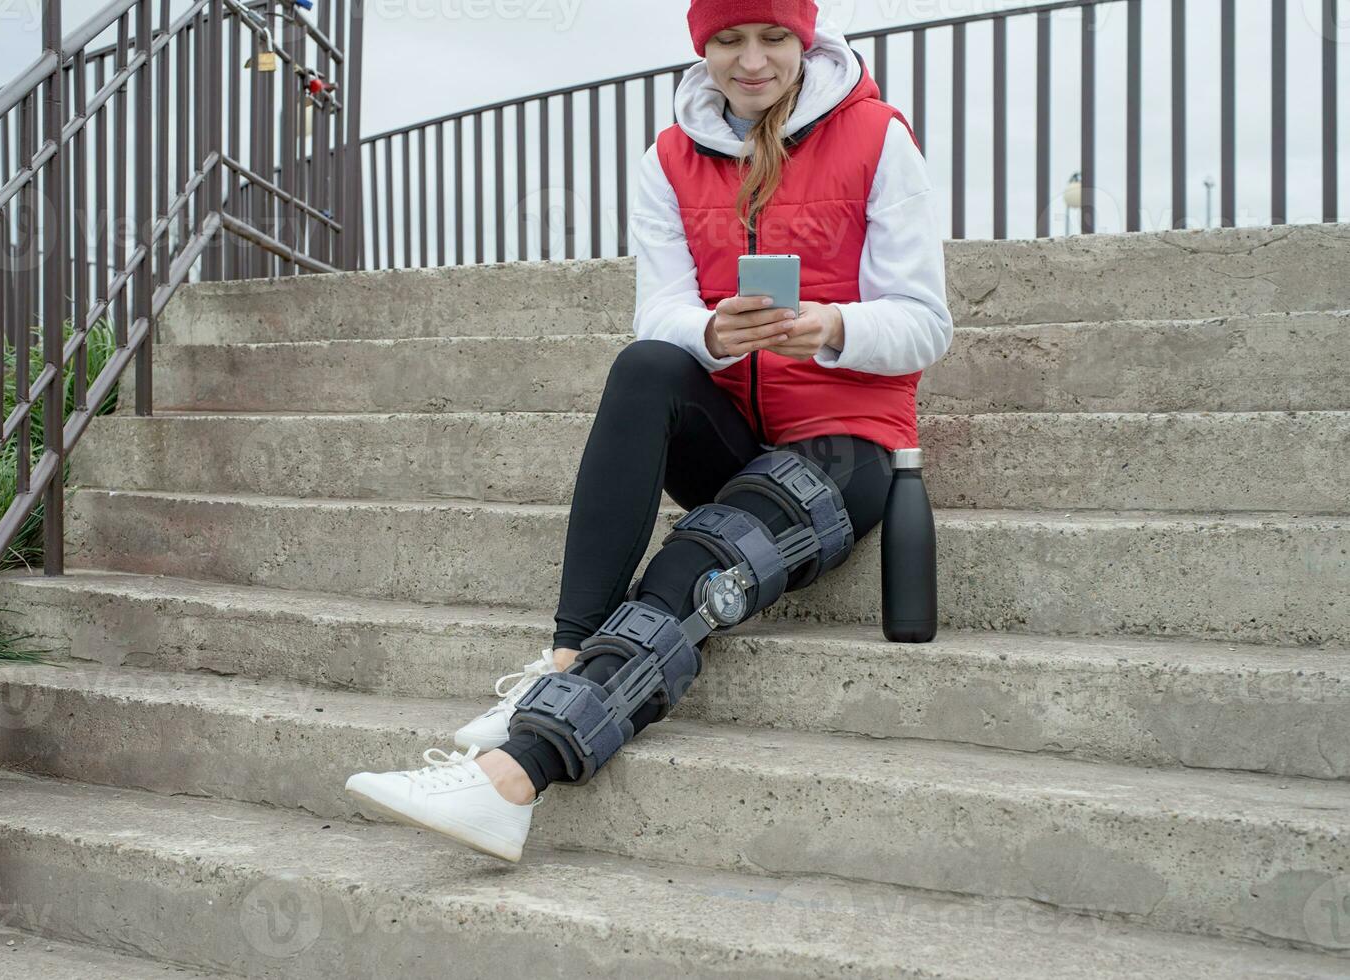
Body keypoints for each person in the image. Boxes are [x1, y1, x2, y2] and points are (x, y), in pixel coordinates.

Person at [344, 0, 953, 863]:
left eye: (772, 37)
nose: (751, 62)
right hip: (736, 431)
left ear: (804, 40)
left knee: (689, 564)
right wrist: (707, 334)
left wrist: (827, 326)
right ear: (702, 49)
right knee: (645, 364)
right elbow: (658, 310)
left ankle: (514, 777)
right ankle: (566, 652)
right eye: (728, 41)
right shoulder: (667, 157)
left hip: (842, 441)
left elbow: (925, 323)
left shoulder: (876, 136)